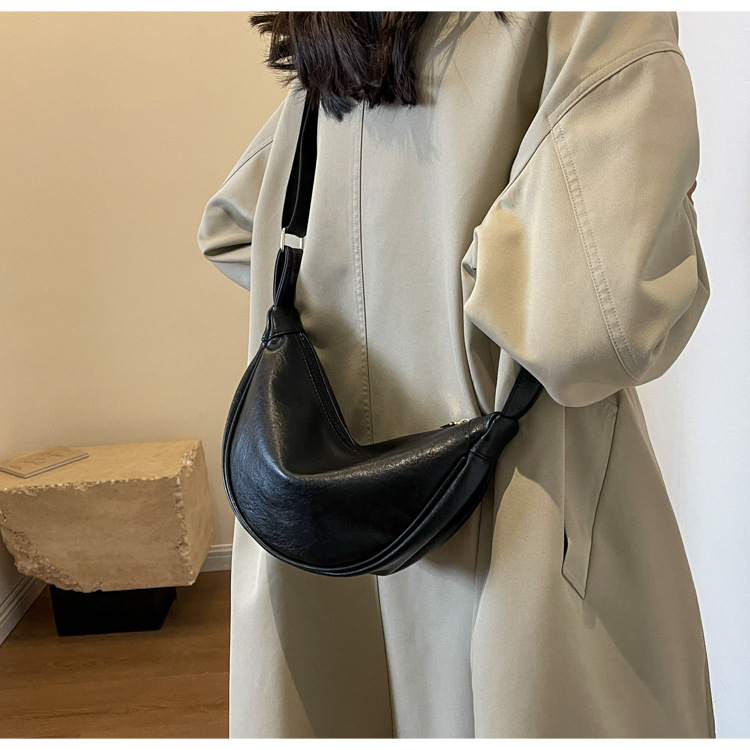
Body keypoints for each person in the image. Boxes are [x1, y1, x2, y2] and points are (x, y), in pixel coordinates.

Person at [197, 11, 715, 739]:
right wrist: (667, 215)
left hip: (317, 538)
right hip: (519, 524)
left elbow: (234, 227)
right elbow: (593, 323)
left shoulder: (341, 37)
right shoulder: (592, 19)